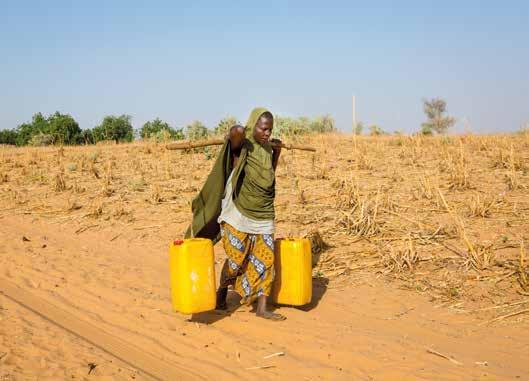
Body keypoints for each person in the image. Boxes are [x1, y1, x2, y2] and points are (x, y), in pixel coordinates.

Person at [185, 107, 285, 321]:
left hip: (264, 212)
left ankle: (261, 307)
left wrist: (276, 152)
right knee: (236, 259)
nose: (267, 133)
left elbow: (268, 177)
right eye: (263, 128)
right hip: (239, 213)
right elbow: (236, 136)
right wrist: (239, 131)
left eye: (270, 129)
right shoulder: (243, 146)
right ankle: (222, 290)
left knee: (266, 260)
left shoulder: (267, 149)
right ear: (253, 126)